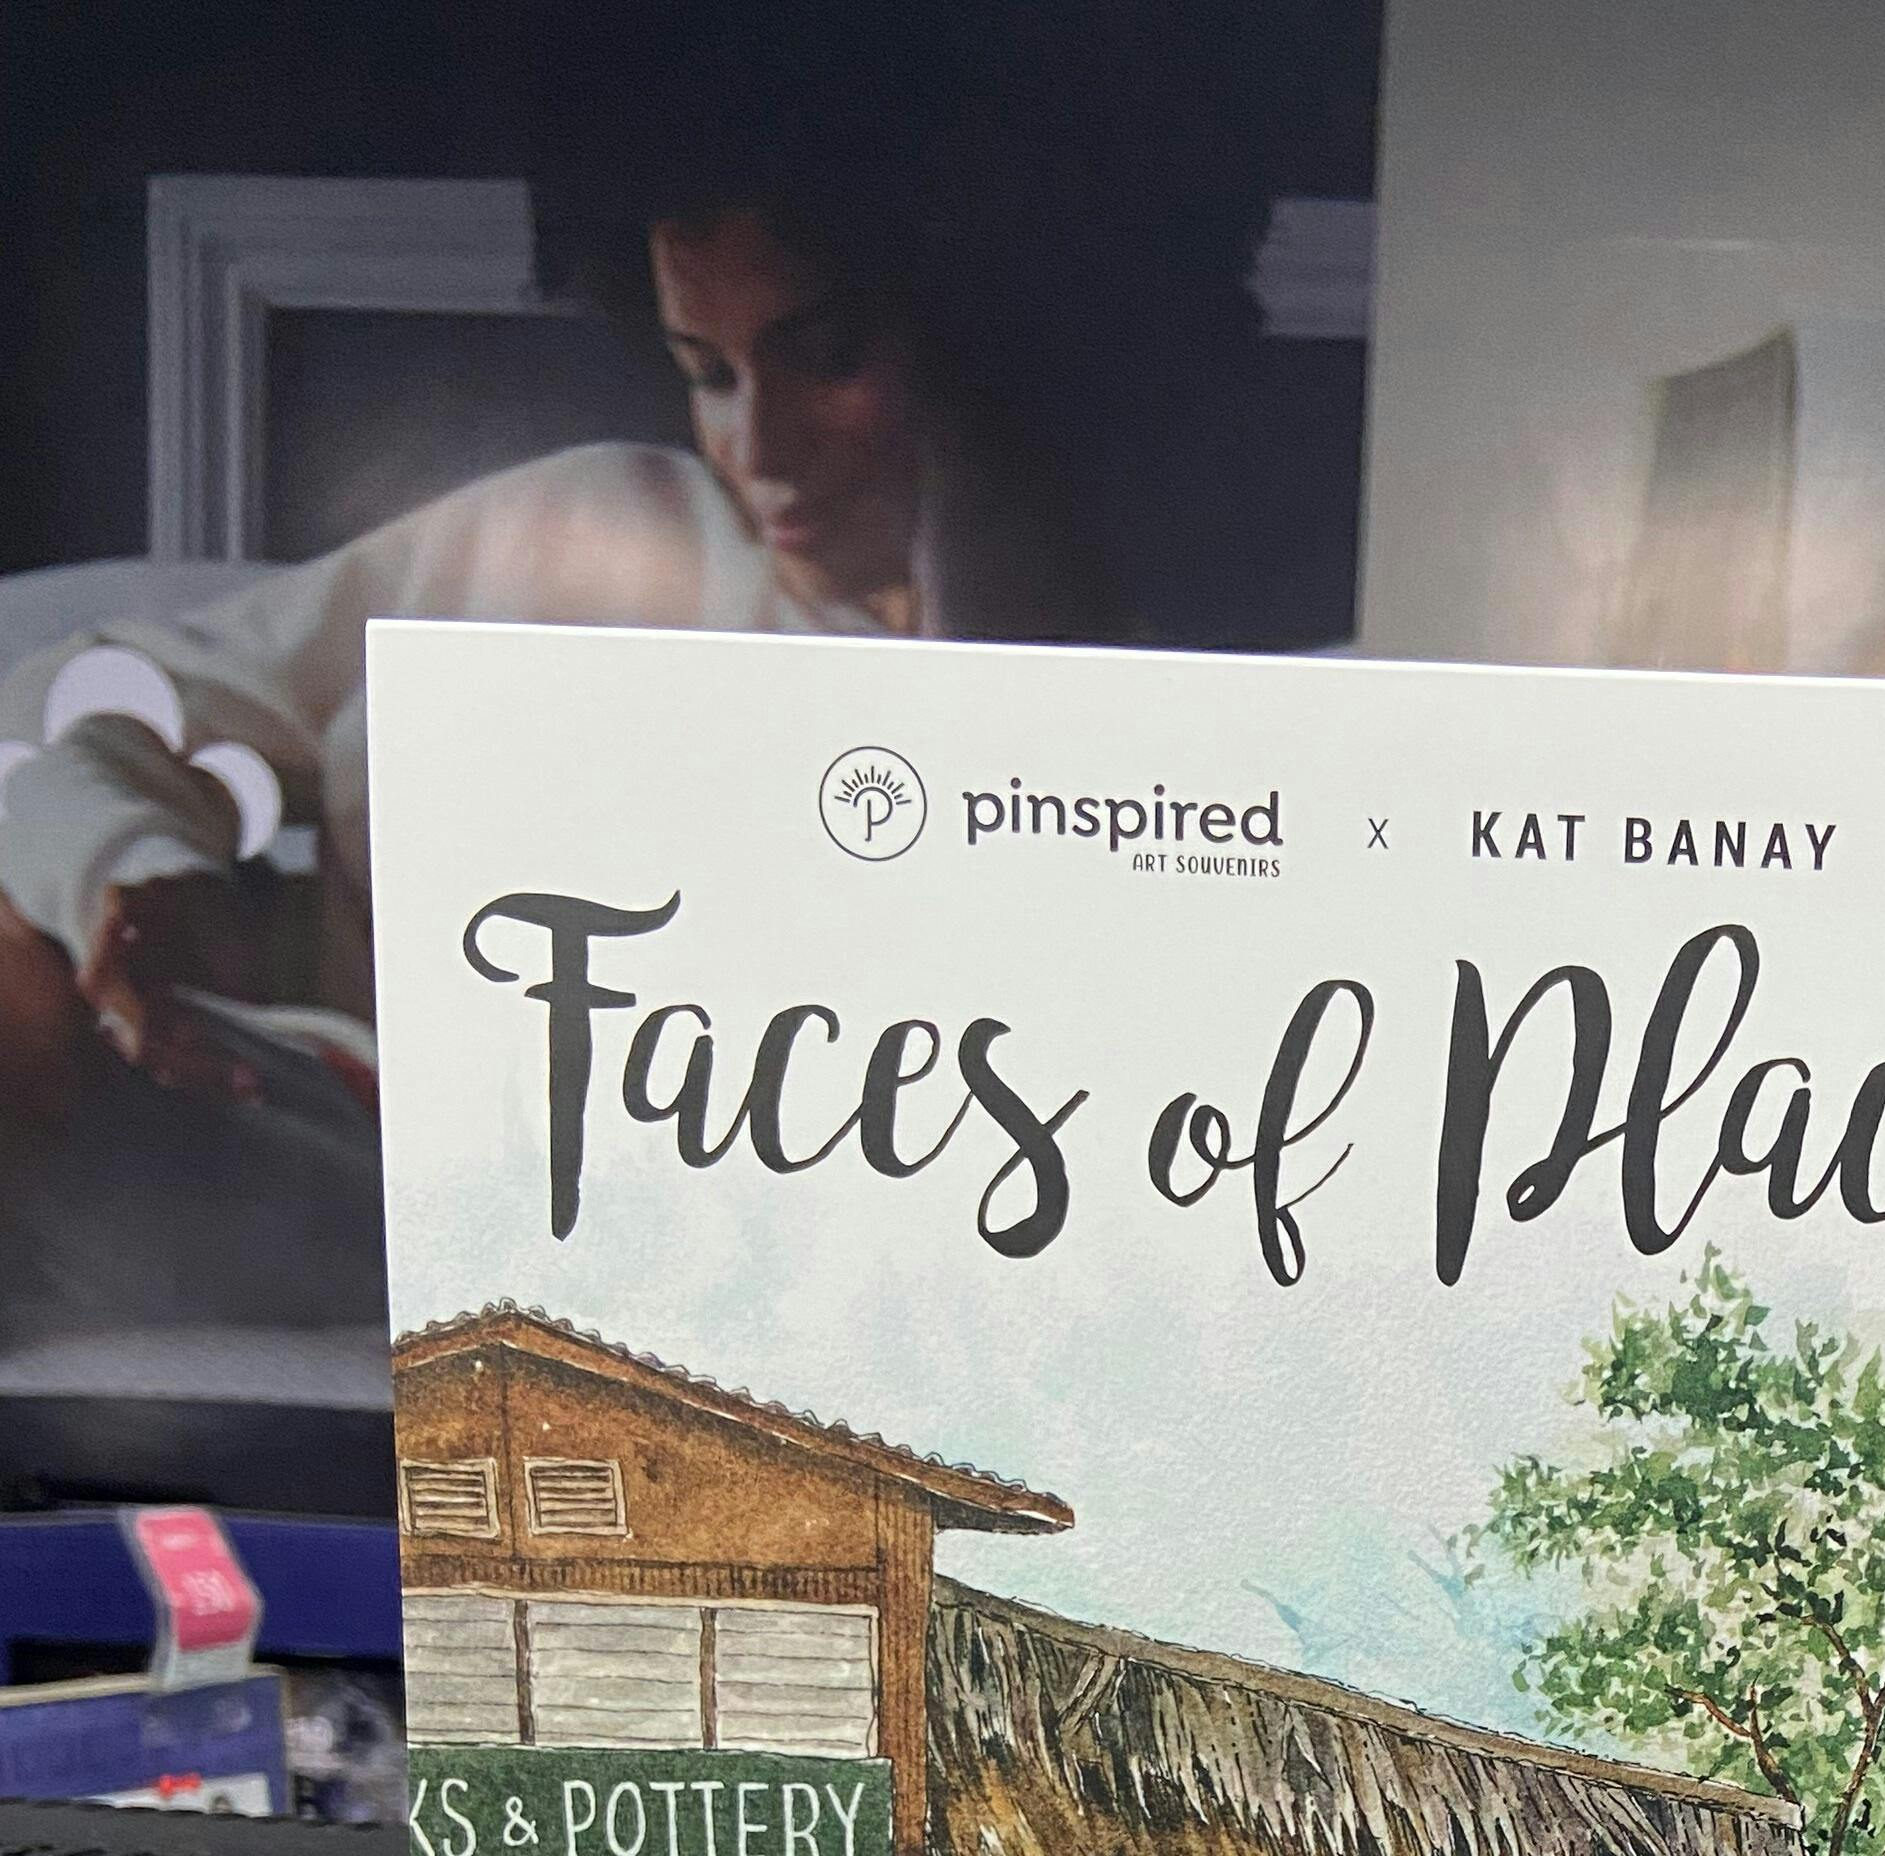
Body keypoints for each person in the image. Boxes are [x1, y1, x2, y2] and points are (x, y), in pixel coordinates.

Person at [0, 76, 1109, 1344]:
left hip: (547, 1237)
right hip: (262, 1106)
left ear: (968, 337)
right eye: (707, 374)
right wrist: (136, 875)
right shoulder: (592, 528)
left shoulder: (1080, 684)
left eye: (828, 358)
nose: (760, 451)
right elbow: (70, 708)